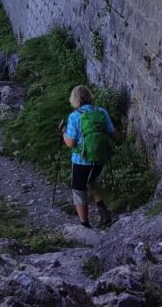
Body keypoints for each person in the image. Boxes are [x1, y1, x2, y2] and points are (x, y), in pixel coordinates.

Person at [61, 84, 115, 227]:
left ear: (75, 99)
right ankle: (104, 213)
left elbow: (71, 143)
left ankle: (84, 225)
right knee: (91, 182)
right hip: (99, 158)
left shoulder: (74, 116)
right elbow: (113, 133)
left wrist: (63, 132)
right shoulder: (101, 112)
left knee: (79, 190)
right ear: (89, 96)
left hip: (81, 161)